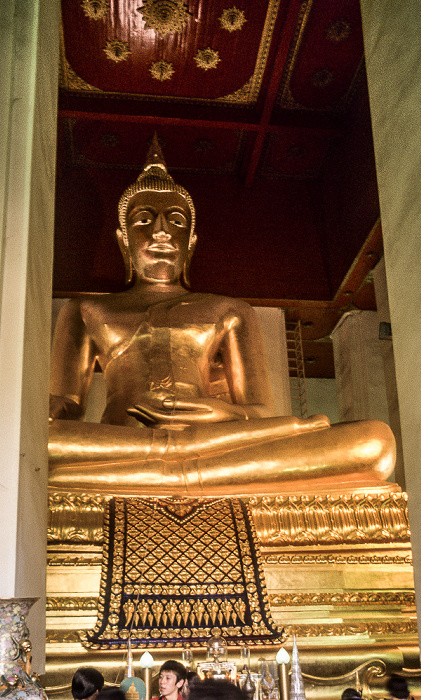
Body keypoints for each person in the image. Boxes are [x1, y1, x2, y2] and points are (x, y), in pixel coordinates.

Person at [48, 136, 396, 496]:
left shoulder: (229, 310)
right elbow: (64, 411)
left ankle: (161, 472)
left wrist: (215, 411)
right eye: (144, 219)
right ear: (123, 240)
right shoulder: (86, 311)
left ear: (191, 242)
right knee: (38, 440)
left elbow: (259, 412)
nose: (161, 230)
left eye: (176, 220)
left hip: (210, 440)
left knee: (375, 442)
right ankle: (182, 468)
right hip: (124, 443)